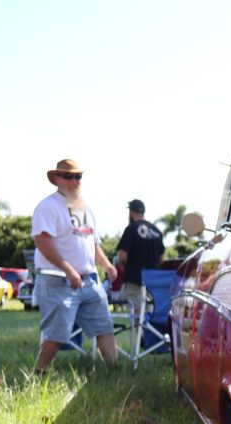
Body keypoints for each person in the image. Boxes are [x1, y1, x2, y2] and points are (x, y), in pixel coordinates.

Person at [30, 158, 118, 374]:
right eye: (68, 176)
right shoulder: (48, 206)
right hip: (57, 280)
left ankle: (114, 373)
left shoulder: (85, 209)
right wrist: (68, 269)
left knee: (104, 327)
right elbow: (42, 241)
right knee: (57, 333)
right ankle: (39, 372)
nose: (74, 181)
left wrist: (107, 265)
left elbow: (93, 244)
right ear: (56, 179)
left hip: (89, 281)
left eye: (78, 176)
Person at [115, 199, 164, 316]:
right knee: (150, 317)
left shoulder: (131, 229)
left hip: (133, 281)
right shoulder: (157, 231)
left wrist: (125, 265)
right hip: (152, 284)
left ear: (131, 212)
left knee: (135, 319)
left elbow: (122, 256)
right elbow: (162, 259)